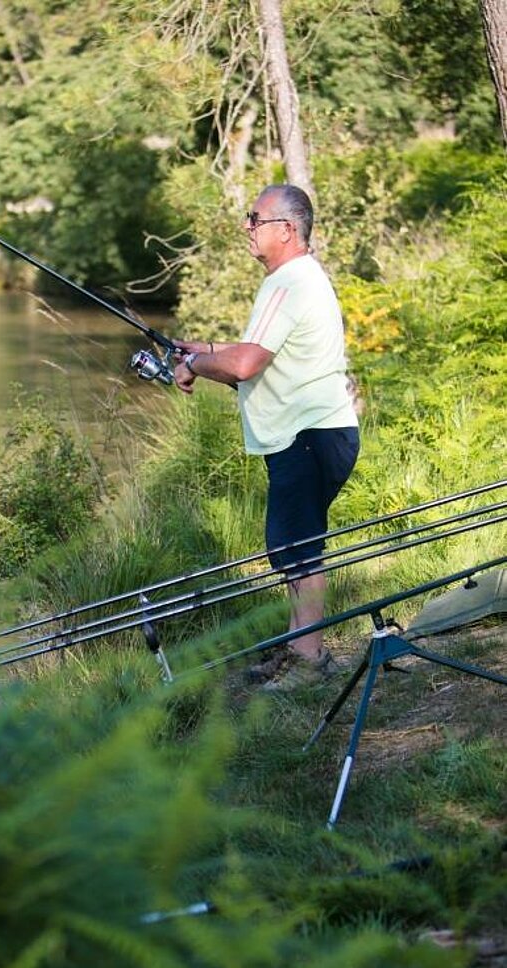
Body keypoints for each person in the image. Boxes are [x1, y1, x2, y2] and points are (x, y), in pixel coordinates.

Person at [173, 183, 359, 690]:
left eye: (254, 219)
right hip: (315, 434)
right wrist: (208, 349)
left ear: (286, 229)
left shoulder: (290, 281)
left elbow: (247, 364)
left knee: (298, 547)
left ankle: (308, 657)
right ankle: (301, 647)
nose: (247, 227)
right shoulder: (296, 280)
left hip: (309, 435)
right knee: (295, 545)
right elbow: (257, 350)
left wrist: (194, 362)